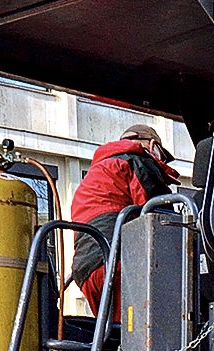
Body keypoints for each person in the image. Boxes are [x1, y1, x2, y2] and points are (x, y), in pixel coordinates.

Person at [68, 123, 180, 304]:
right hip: (116, 265)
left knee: (118, 330)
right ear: (153, 146)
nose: (162, 162)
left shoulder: (98, 172)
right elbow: (163, 217)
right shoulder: (136, 161)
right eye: (163, 157)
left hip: (86, 271)